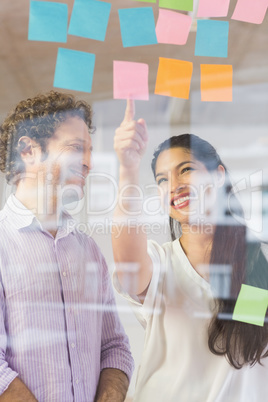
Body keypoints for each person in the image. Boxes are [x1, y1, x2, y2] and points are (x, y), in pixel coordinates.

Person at [112, 100, 268, 402]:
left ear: (219, 175)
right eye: (162, 180)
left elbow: (244, 358)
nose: (174, 186)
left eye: (186, 170)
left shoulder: (255, 264)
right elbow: (130, 271)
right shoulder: (160, 263)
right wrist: (128, 169)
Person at [0, 91, 134, 402]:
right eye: (76, 149)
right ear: (28, 150)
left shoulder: (88, 250)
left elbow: (115, 348)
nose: (88, 162)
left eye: (89, 151)